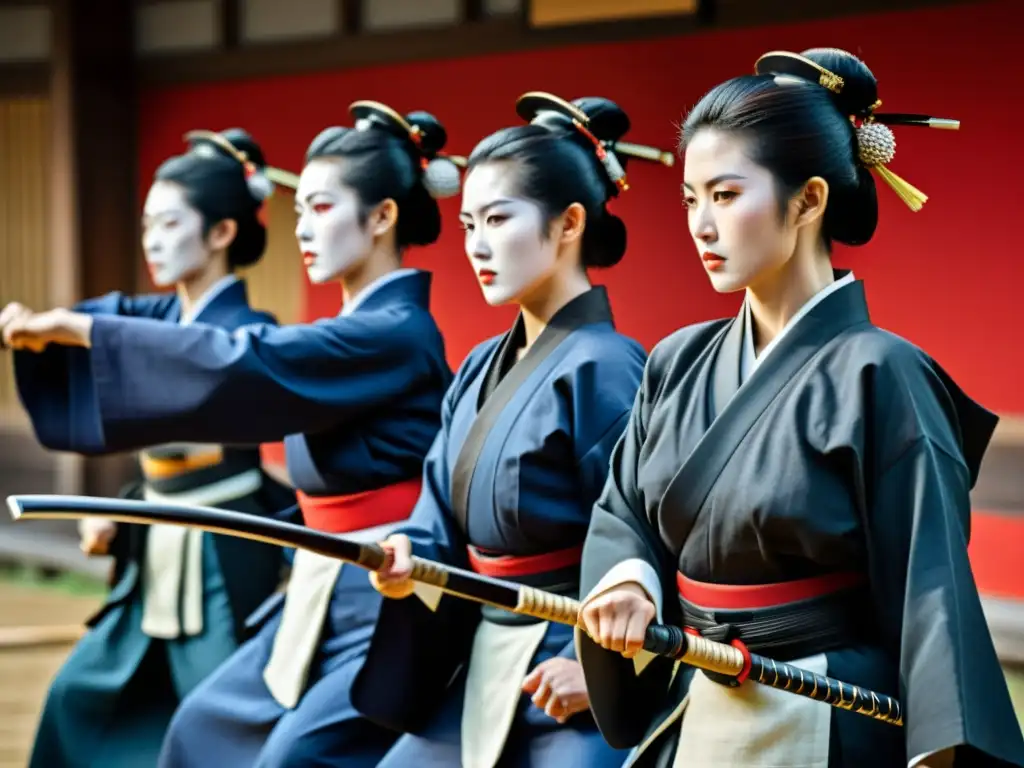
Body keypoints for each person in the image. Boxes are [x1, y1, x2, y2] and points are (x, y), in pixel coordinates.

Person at [575, 49, 1024, 767]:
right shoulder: (677, 361)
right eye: (690, 200)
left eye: (724, 196)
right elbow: (622, 511)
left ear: (809, 201)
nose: (699, 225)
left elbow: (930, 584)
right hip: (697, 692)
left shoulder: (884, 374)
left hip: (825, 709)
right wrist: (629, 577)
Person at [1, 102, 460, 767]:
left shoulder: (394, 331)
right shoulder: (366, 325)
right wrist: (56, 322)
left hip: (385, 596)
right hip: (319, 579)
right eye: (299, 210)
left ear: (383, 216)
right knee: (200, 728)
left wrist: (80, 331)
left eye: (323, 208)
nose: (302, 229)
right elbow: (160, 325)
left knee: (285, 759)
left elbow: (250, 362)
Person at [366, 92, 667, 768]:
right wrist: (409, 555)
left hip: (575, 661)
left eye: (498, 219)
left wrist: (600, 667)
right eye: (469, 221)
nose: (475, 244)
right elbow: (437, 506)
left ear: (568, 224)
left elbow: (649, 535)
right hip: (484, 646)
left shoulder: (609, 366)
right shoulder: (479, 364)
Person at [0, 128, 294, 768]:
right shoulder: (158, 320)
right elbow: (106, 324)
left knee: (221, 711)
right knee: (78, 696)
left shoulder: (252, 333)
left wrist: (77, 329)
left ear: (221, 233)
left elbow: (146, 350)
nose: (151, 240)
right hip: (153, 540)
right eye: (146, 225)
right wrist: (35, 328)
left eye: (169, 223)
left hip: (226, 544)